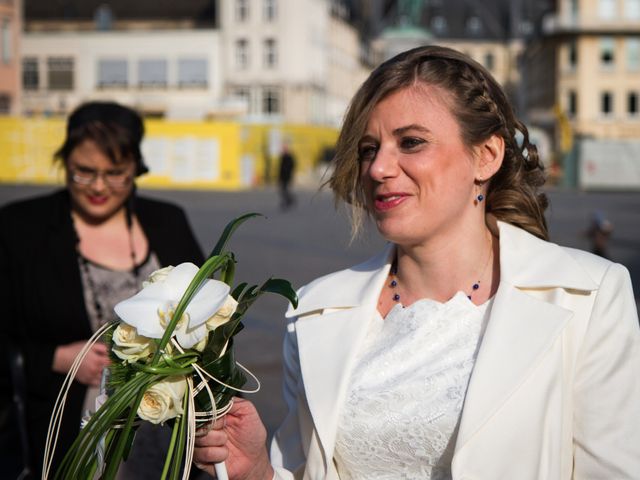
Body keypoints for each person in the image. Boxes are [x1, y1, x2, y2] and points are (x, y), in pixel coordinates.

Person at [193, 46, 640, 479]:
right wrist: (258, 474)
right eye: (369, 149)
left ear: (486, 155)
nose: (378, 168)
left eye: (410, 142)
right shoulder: (312, 309)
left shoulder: (590, 295)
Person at [0, 101, 204, 478]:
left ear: (136, 168)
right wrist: (52, 358)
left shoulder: (168, 221)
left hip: (167, 437)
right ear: (65, 162)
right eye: (83, 172)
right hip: (69, 436)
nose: (97, 186)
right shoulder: (19, 228)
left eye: (115, 174)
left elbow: (212, 317)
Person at [278, 144, 296, 210]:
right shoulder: (283, 157)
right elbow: (280, 168)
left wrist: (287, 171)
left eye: (284, 149)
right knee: (282, 190)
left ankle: (289, 201)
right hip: (282, 176)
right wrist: (279, 176)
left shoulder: (289, 157)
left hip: (287, 176)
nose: (283, 150)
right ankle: (289, 200)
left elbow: (292, 166)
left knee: (284, 190)